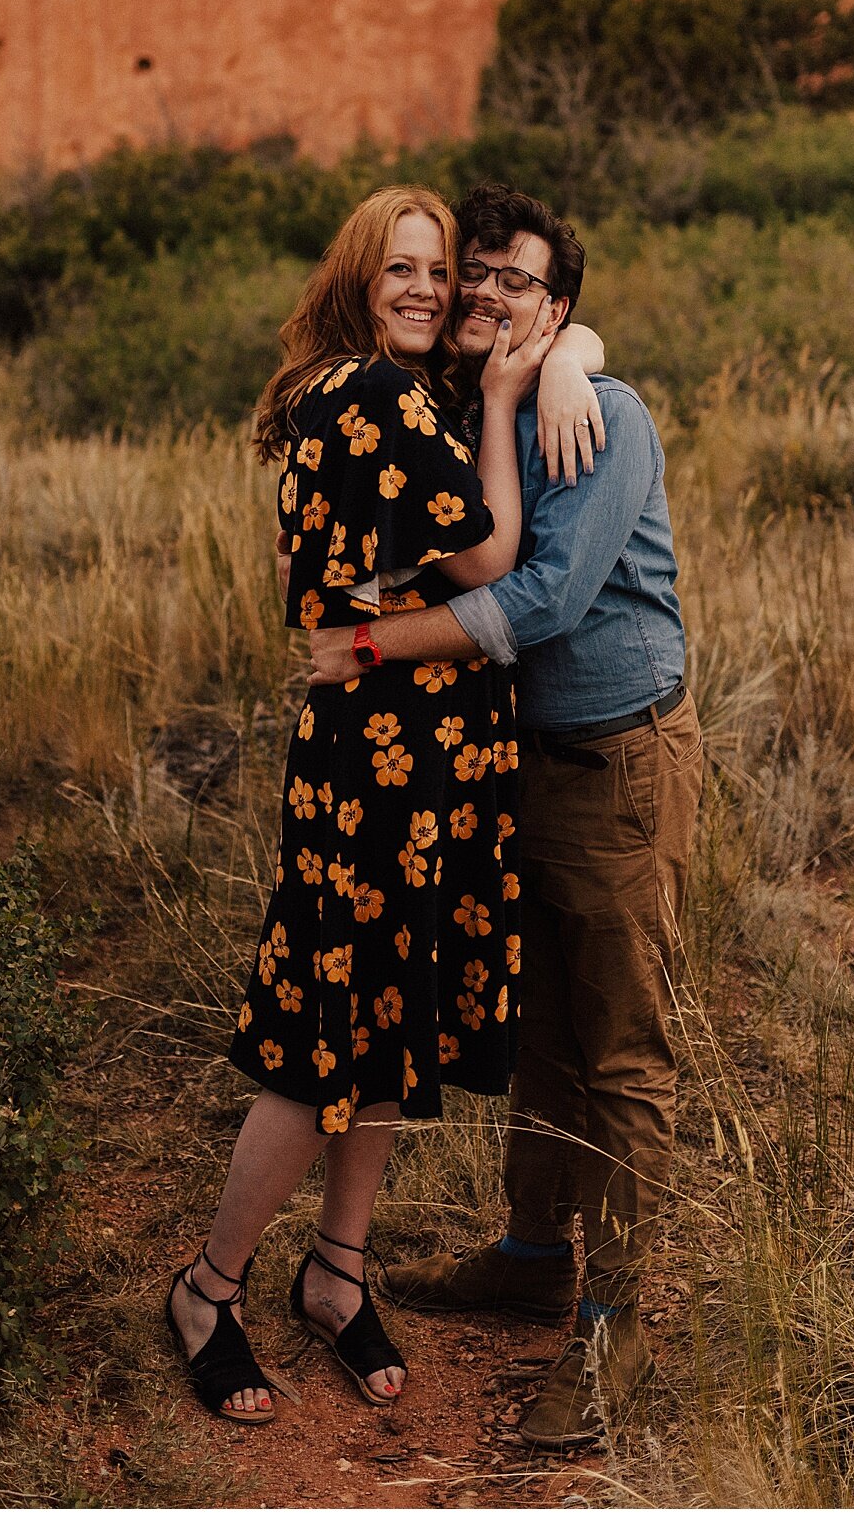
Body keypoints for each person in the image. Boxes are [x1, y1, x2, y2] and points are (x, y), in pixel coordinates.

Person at [165, 183, 604, 1424]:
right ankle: (210, 1286)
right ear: (360, 276)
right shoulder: (375, 394)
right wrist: (516, 398)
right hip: (381, 749)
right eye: (402, 267)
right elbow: (493, 561)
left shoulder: (371, 390)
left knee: (392, 1025)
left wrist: (564, 352)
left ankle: (339, 1275)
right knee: (325, 1036)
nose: (426, 287)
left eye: (439, 268)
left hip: (431, 745)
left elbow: (554, 328)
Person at [308, 181, 703, 1450]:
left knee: (622, 1051)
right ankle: (534, 1252)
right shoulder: (461, 405)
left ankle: (616, 1324)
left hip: (616, 763)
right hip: (516, 766)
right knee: (537, 1033)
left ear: (559, 307)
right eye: (472, 272)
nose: (478, 293)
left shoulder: (606, 415)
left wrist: (365, 646)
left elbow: (537, 604)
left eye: (511, 282)